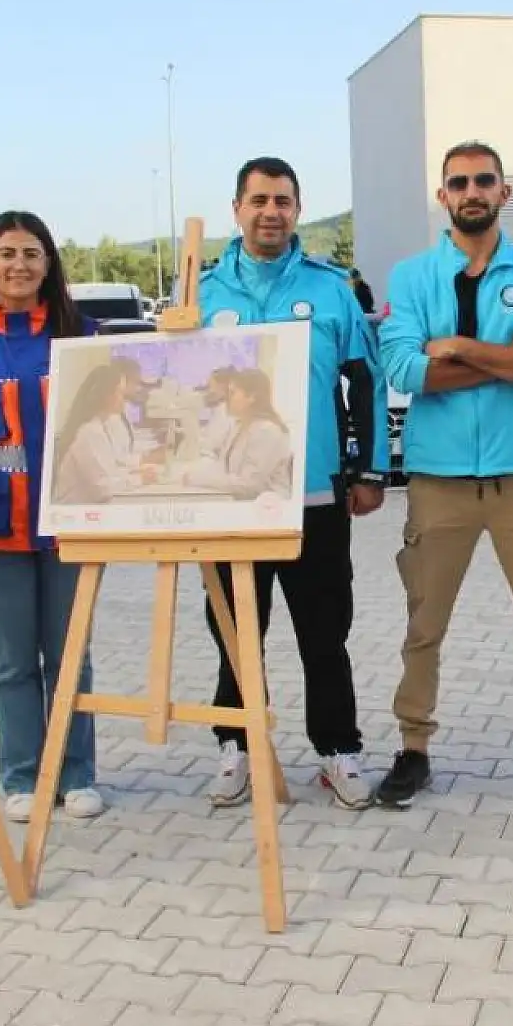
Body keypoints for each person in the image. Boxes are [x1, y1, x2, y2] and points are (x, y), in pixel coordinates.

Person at [375, 140, 513, 810]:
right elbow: (406, 370)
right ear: (443, 195)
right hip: (439, 479)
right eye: (459, 182)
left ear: (505, 191)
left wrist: (463, 348)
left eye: (484, 180)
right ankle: (414, 748)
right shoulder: (412, 277)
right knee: (423, 625)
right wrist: (507, 354)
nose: (472, 190)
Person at [197, 156, 389, 811]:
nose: (270, 211)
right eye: (258, 200)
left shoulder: (331, 289)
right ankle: (237, 744)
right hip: (229, 498)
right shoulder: (201, 294)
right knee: (234, 630)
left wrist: (367, 470)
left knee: (324, 629)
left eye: (282, 200)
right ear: (237, 208)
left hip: (313, 494)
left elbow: (365, 381)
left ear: (297, 210)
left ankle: (338, 748)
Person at [0, 212, 104, 823]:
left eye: (31, 253)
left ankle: (78, 772)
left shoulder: (83, 338)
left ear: (49, 264)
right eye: (6, 253)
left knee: (70, 656)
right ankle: (22, 776)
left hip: (71, 526)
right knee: (11, 659)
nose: (19, 265)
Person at [170, 368, 294, 498]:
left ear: (252, 397)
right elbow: (222, 468)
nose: (228, 398)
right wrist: (177, 475)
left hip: (267, 507)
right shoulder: (239, 426)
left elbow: (249, 485)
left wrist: (196, 479)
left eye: (233, 393)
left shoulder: (267, 432)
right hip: (240, 500)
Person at [50, 364, 161, 504]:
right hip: (75, 514)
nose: (124, 398)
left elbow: (108, 471)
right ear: (107, 396)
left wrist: (134, 474)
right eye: (120, 392)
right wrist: (140, 479)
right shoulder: (89, 432)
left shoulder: (98, 426)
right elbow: (103, 488)